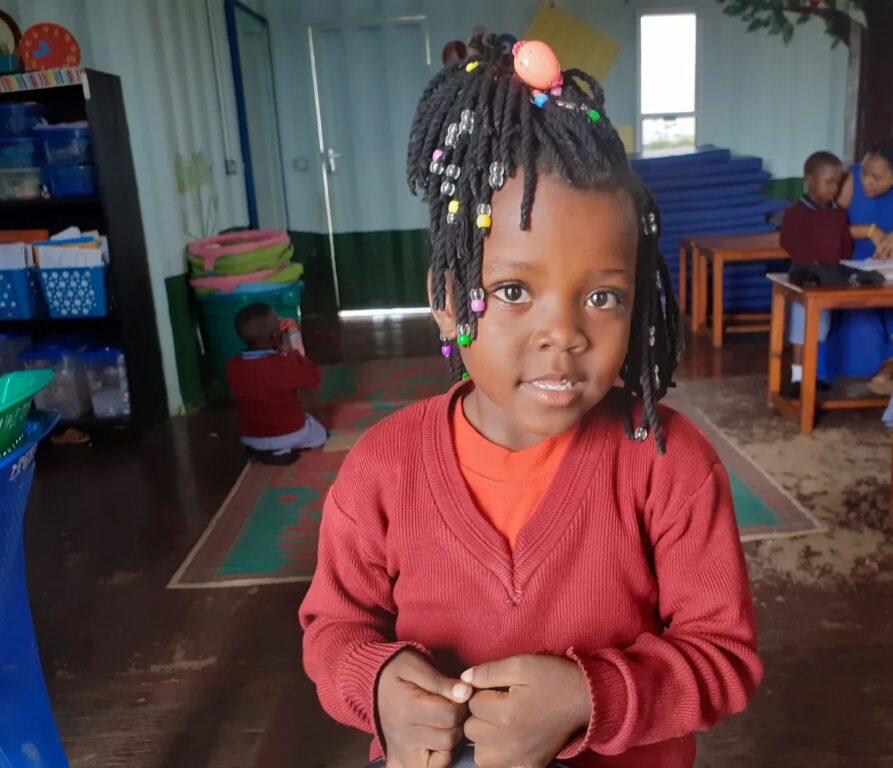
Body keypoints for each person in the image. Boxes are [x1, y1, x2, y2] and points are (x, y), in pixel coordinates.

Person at [299, 37, 761, 768]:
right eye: (514, 292)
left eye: (603, 297)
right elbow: (333, 631)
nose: (564, 335)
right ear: (448, 302)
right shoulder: (381, 469)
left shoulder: (670, 465)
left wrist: (590, 697)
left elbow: (724, 658)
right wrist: (377, 684)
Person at [828, 131, 893, 387]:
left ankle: (891, 374)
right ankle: (876, 377)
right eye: (865, 171)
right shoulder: (852, 179)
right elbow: (826, 228)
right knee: (861, 325)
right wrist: (869, 230)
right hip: (853, 272)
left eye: (876, 177)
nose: (866, 180)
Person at [780, 151, 852, 396]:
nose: (834, 188)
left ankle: (815, 373)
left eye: (837, 183)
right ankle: (798, 378)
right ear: (810, 180)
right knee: (801, 331)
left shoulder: (839, 213)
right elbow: (788, 242)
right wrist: (808, 265)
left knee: (821, 330)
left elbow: (845, 245)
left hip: (829, 280)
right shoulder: (795, 213)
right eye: (828, 182)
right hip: (805, 279)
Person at [226, 303, 325, 465]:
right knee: (319, 433)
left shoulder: (233, 364)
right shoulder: (283, 363)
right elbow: (313, 379)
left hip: (249, 436)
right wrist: (291, 352)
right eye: (278, 322)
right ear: (275, 336)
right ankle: (281, 449)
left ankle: (264, 449)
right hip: (287, 433)